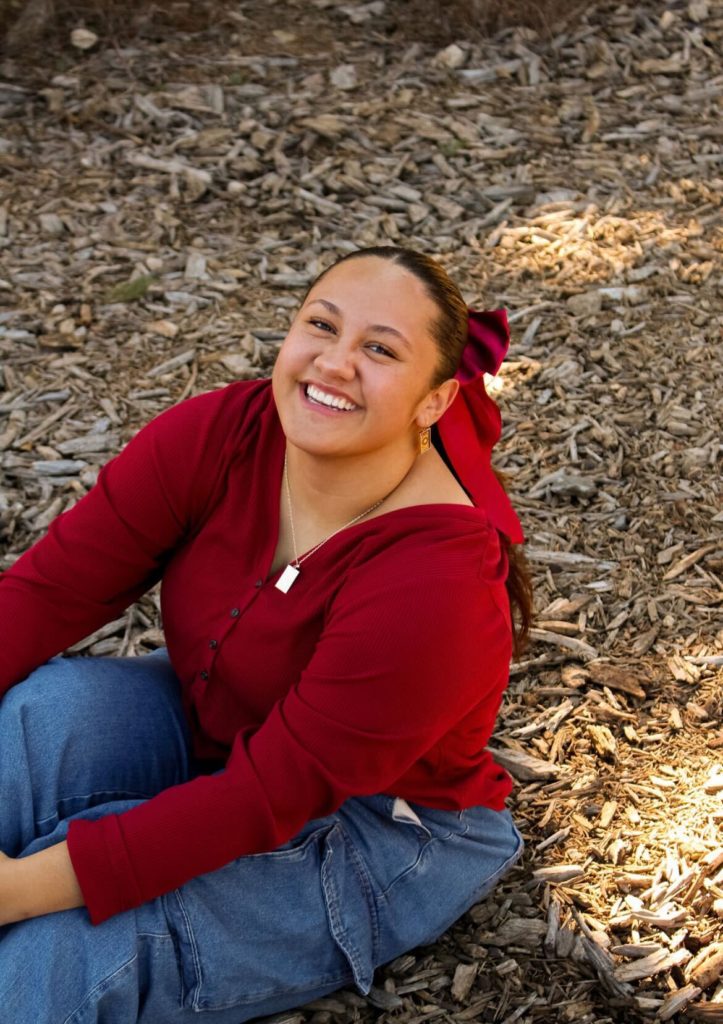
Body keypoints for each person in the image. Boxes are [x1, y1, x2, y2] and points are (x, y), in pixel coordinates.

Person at [0, 246, 531, 1023]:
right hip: (221, 710)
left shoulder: (436, 583)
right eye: (321, 325)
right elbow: (49, 592)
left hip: (377, 822)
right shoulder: (226, 430)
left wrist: (15, 890)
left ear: (433, 401)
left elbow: (261, 799)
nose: (335, 362)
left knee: (62, 948)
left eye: (379, 350)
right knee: (35, 721)